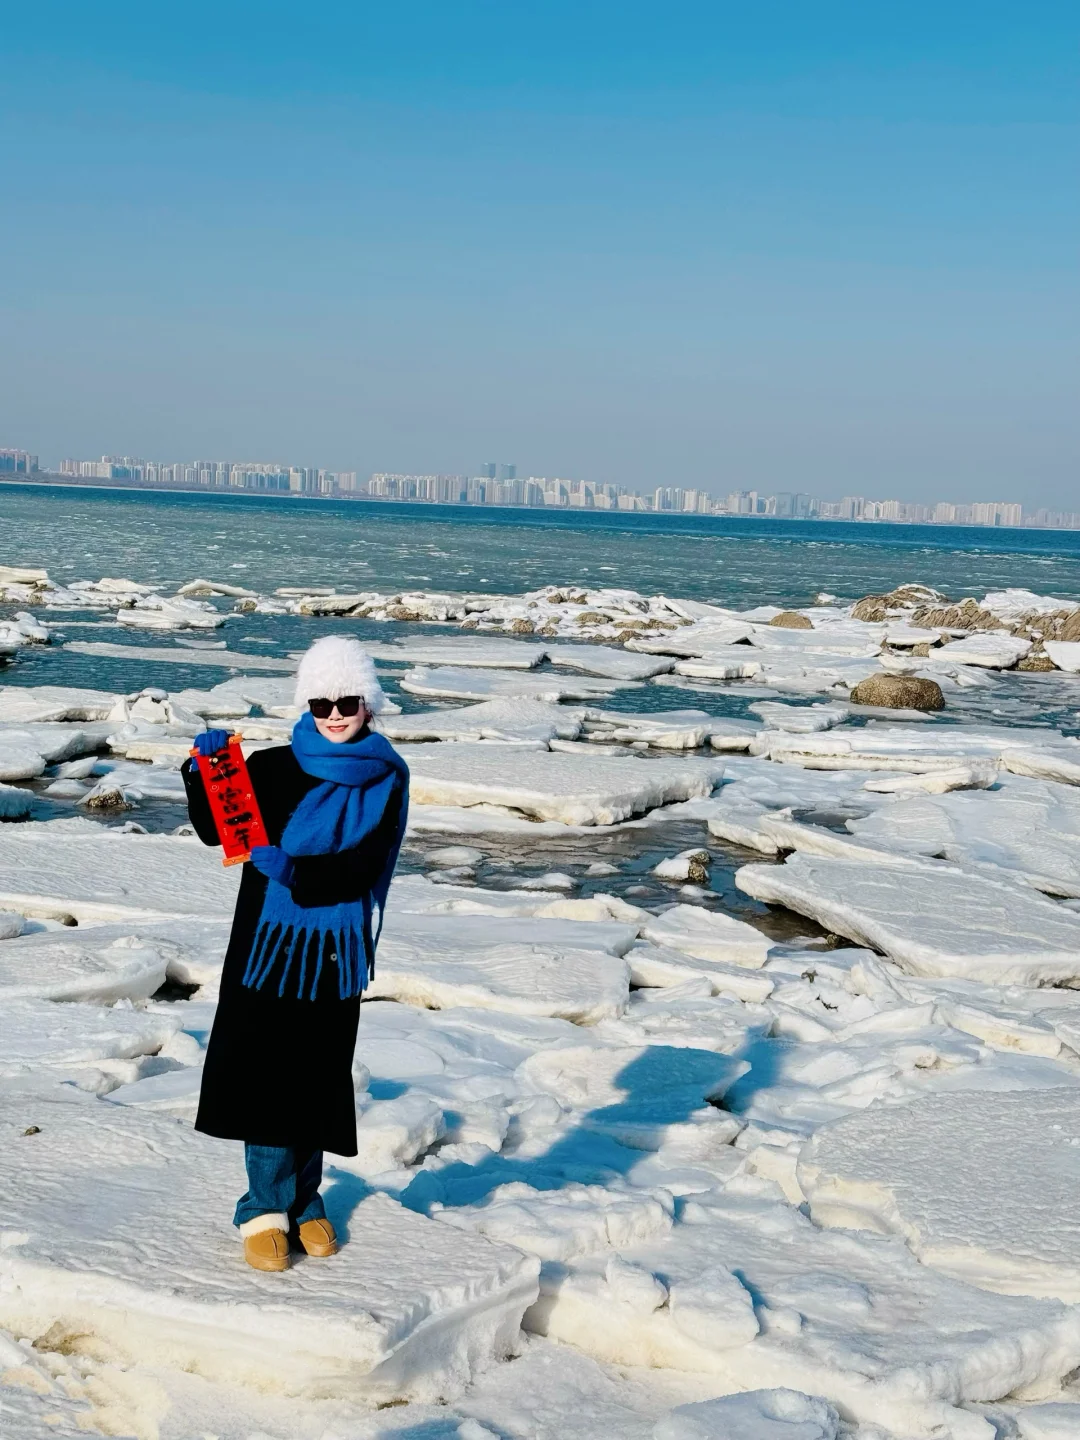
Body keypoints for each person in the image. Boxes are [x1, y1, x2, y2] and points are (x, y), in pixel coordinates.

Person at [183, 636, 409, 1272]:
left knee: (316, 1073)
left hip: (333, 951)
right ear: (306, 703)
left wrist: (293, 870)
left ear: (369, 703)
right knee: (266, 1074)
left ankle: (304, 1199)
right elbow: (217, 830)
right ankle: (263, 1206)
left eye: (348, 701)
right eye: (321, 701)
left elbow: (364, 867)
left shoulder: (386, 778)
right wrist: (204, 773)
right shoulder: (274, 765)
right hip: (265, 946)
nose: (335, 713)